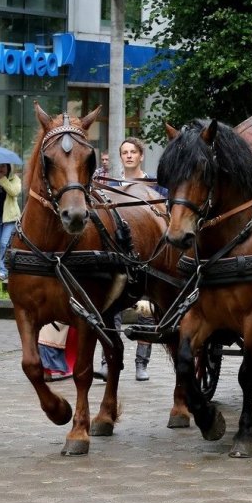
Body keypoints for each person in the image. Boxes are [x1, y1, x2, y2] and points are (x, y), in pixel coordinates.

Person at [95, 138, 166, 382]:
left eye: (133, 152)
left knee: (146, 308)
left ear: (141, 156)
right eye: (124, 152)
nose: (128, 156)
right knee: (110, 306)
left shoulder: (155, 186)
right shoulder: (111, 187)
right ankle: (107, 359)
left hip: (150, 255)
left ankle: (141, 363)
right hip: (120, 254)